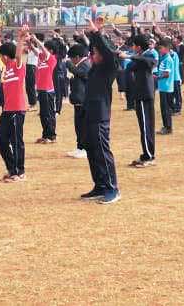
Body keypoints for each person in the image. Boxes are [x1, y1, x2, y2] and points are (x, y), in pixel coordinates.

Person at [80, 17, 120, 204]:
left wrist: (97, 33)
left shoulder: (109, 66)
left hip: (100, 115)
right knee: (91, 150)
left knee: (102, 151)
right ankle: (100, 185)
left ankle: (112, 188)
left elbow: (106, 51)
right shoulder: (95, 68)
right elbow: (95, 48)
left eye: (95, 53)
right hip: (89, 113)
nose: (91, 56)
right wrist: (91, 34)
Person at [120, 31, 158, 167]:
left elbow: (151, 62)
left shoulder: (149, 55)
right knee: (145, 127)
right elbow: (129, 67)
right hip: (141, 94)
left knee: (146, 126)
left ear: (139, 47)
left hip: (144, 95)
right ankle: (147, 154)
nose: (132, 48)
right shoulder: (140, 58)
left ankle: (148, 156)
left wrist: (130, 56)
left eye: (134, 46)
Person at [0, 31, 29, 181]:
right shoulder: (8, 66)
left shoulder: (17, 65)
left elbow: (18, 55)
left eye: (2, 55)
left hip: (17, 109)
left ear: (6, 55)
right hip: (7, 109)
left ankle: (19, 172)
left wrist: (20, 39)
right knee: (1, 139)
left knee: (16, 141)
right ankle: (11, 169)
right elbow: (1, 50)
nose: (1, 57)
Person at [31, 37, 59, 144]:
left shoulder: (51, 58)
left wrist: (36, 39)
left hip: (48, 90)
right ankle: (45, 135)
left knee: (49, 114)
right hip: (41, 90)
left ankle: (52, 136)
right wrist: (29, 42)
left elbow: (42, 48)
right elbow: (34, 49)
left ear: (50, 50)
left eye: (46, 48)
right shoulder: (42, 57)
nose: (43, 50)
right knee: (43, 114)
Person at [65, 43, 90, 159]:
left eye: (71, 58)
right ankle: (80, 147)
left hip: (84, 101)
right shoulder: (80, 65)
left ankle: (85, 148)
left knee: (83, 126)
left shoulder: (85, 65)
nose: (71, 60)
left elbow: (81, 74)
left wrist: (69, 65)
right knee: (78, 126)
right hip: (78, 101)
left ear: (77, 57)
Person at [155, 38, 176, 135]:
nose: (159, 50)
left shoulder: (168, 59)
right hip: (163, 87)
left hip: (166, 87)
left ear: (167, 48)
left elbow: (167, 74)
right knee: (163, 108)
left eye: (161, 48)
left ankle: (168, 127)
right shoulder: (163, 58)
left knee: (166, 109)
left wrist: (157, 77)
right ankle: (166, 126)